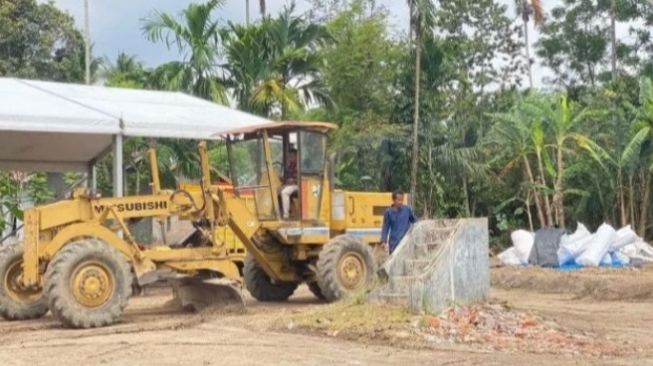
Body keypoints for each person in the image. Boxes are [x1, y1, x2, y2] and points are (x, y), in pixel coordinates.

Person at [380, 190, 416, 254]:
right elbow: (385, 226)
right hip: (394, 243)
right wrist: (383, 241)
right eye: (398, 200)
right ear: (393, 200)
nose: (400, 202)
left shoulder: (407, 210)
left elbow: (415, 221)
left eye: (402, 200)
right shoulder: (388, 212)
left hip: (406, 242)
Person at [281, 149, 298, 219]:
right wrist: (282, 178)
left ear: (296, 156)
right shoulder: (290, 165)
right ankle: (291, 212)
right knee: (275, 190)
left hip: (297, 185)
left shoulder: (299, 165)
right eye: (289, 157)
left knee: (284, 192)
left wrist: (293, 180)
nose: (290, 158)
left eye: (292, 156)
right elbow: (287, 177)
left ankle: (286, 215)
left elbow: (300, 178)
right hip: (290, 185)